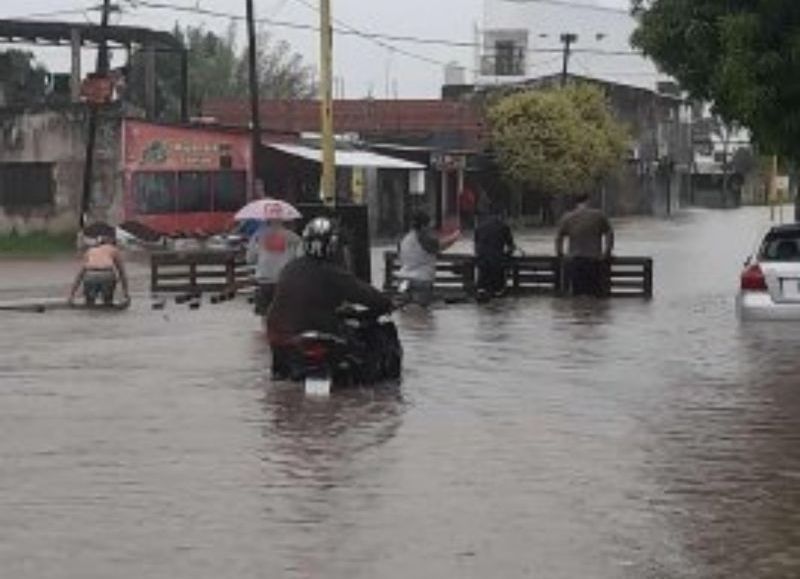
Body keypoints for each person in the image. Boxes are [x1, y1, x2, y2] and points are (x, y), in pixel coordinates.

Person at [267, 217, 394, 377]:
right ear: (334, 246)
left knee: (281, 379)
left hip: (279, 338)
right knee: (360, 356)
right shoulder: (333, 272)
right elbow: (365, 294)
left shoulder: (290, 268)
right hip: (317, 334)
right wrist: (387, 302)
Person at [555, 192, 615, 297]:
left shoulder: (567, 217)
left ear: (575, 202)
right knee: (594, 295)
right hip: (594, 261)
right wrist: (607, 252)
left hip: (575, 261)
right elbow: (610, 233)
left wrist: (560, 254)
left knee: (578, 296)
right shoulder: (599, 215)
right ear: (588, 200)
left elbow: (559, 237)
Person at [397, 210, 460, 306]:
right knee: (421, 314)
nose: (430, 228)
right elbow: (440, 246)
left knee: (406, 313)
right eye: (428, 225)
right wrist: (455, 236)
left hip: (403, 281)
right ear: (423, 225)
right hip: (421, 280)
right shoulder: (423, 237)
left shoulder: (405, 238)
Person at [246, 217, 302, 317]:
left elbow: (250, 258)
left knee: (264, 313)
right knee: (283, 313)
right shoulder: (294, 238)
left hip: (264, 278)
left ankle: (266, 330)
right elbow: (299, 258)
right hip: (284, 279)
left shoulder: (258, 236)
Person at [68, 235, 130, 308]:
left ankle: (90, 304)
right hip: (106, 274)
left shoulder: (90, 251)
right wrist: (126, 293)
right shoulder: (113, 250)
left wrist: (72, 295)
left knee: (89, 303)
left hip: (90, 275)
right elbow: (122, 273)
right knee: (107, 302)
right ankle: (107, 303)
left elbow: (80, 274)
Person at [474, 207, 516, 297]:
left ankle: (482, 289)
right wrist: (509, 254)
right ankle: (498, 290)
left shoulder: (480, 226)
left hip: (482, 261)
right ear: (501, 215)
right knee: (501, 268)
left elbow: (476, 244)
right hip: (497, 262)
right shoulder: (504, 227)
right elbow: (510, 246)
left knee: (484, 275)